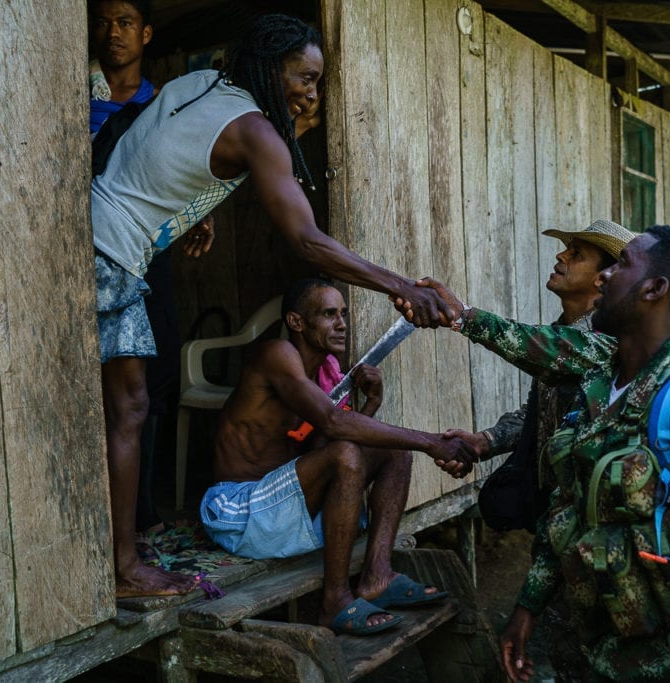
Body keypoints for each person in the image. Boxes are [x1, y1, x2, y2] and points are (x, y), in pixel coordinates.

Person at [91, 13, 455, 597]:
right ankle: (126, 567)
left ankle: (124, 552)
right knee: (130, 410)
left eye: (316, 83)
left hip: (96, 228)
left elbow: (159, 151)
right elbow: (308, 240)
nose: (310, 95)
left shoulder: (203, 84)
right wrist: (401, 288)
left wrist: (190, 211)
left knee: (125, 407)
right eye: (304, 79)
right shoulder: (256, 131)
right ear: (268, 69)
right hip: (111, 250)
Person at [413, 226, 670, 680]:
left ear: (655, 289)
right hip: (598, 650)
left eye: (622, 265)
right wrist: (527, 608)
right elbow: (568, 512)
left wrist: (462, 315)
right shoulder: (600, 388)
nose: (605, 277)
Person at [201, 279, 475, 634]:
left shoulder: (322, 373)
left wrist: (372, 404)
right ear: (297, 322)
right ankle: (334, 602)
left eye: (343, 313)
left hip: (281, 511)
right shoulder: (277, 355)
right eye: (329, 314)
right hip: (239, 512)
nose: (342, 323)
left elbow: (321, 452)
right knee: (347, 452)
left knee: (394, 453)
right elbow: (335, 428)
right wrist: (432, 442)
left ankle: (377, 575)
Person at [444, 219, 630, 681]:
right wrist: (487, 440)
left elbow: (543, 349)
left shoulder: (607, 339)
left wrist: (461, 314)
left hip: (596, 531)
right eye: (566, 249)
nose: (561, 257)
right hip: (557, 523)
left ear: (606, 277)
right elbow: (537, 413)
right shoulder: (561, 332)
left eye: (578, 254)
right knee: (565, 645)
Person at [88, 0, 215, 534]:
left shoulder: (162, 102)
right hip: (86, 246)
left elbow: (185, 169)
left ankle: (143, 513)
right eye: (103, 22)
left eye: (124, 24)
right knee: (96, 380)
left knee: (154, 370)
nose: (112, 33)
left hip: (145, 249)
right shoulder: (79, 97)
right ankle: (102, 520)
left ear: (146, 34)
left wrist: (198, 215)